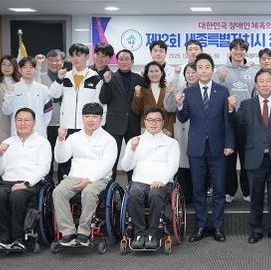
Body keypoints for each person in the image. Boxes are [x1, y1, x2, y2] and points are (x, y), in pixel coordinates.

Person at [229, 70, 271, 243]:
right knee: (255, 197)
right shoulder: (246, 104)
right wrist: (231, 109)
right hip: (253, 158)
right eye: (261, 81)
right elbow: (237, 122)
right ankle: (256, 230)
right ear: (256, 85)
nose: (265, 84)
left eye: (268, 81)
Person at [176, 53, 235, 242]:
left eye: (207, 67)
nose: (203, 71)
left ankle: (217, 226)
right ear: (195, 71)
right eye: (199, 67)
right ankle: (201, 226)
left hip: (218, 147)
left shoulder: (223, 91)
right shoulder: (189, 92)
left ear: (212, 69)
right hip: (197, 148)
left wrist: (229, 144)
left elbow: (227, 121)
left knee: (219, 188)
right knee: (198, 189)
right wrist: (179, 105)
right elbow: (183, 117)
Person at [52, 103, 117, 247]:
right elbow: (60, 159)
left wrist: (89, 180)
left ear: (101, 119)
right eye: (87, 116)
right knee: (58, 192)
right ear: (82, 118)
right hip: (74, 176)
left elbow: (107, 165)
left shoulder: (109, 140)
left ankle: (83, 233)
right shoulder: (74, 137)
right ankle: (68, 232)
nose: (90, 120)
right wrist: (61, 140)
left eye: (94, 116)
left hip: (98, 178)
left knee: (88, 192)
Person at [0, 107, 52, 251]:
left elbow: (44, 168)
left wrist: (27, 183)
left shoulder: (42, 143)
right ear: (15, 122)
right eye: (19, 120)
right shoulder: (7, 142)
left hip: (30, 183)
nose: (22, 123)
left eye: (26, 120)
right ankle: (2, 238)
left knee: (17, 196)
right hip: (6, 183)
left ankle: (19, 238)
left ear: (34, 123)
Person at [120, 107, 180, 249]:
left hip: (161, 182)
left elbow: (173, 166)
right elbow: (126, 167)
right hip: (139, 181)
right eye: (150, 120)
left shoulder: (171, 143)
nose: (153, 123)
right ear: (144, 122)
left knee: (155, 194)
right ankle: (139, 233)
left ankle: (153, 233)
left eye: (157, 120)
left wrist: (162, 180)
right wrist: (132, 149)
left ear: (163, 122)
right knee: (134, 193)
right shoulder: (135, 141)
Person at [49, 43, 103, 181]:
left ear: (86, 56)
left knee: (83, 160)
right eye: (72, 56)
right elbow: (53, 94)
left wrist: (98, 126)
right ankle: (63, 186)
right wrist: (59, 79)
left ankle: (83, 188)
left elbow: (99, 105)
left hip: (86, 127)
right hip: (66, 127)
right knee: (65, 160)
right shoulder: (66, 76)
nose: (75, 59)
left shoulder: (95, 78)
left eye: (78, 55)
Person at [215, 38, 257, 203]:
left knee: (247, 158)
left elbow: (256, 94)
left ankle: (248, 191)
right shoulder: (221, 70)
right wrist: (221, 79)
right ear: (230, 51)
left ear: (245, 52)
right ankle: (229, 191)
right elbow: (215, 91)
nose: (238, 52)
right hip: (228, 119)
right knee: (229, 158)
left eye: (242, 49)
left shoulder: (253, 70)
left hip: (248, 120)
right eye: (235, 49)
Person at [99, 49, 143, 182]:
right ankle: (109, 186)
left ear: (132, 62)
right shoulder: (110, 77)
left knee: (133, 156)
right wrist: (106, 83)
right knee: (112, 158)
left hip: (133, 124)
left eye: (127, 59)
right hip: (114, 124)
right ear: (117, 62)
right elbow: (103, 99)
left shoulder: (139, 79)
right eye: (121, 59)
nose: (124, 62)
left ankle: (133, 186)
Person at [164, 62, 199, 203]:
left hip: (200, 133)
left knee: (198, 166)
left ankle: (198, 195)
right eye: (188, 72)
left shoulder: (204, 90)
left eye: (193, 72)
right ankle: (186, 197)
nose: (191, 75)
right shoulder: (180, 89)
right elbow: (169, 107)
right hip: (183, 132)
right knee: (184, 166)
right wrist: (169, 92)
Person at [37, 49, 68, 177]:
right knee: (46, 156)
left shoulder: (69, 76)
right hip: (47, 123)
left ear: (63, 61)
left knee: (65, 156)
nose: (54, 63)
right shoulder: (40, 77)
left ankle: (63, 183)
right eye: (51, 60)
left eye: (57, 60)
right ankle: (47, 183)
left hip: (65, 123)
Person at [2, 57, 53, 137]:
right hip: (18, 133)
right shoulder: (13, 88)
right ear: (19, 70)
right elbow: (6, 111)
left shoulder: (44, 89)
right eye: (25, 67)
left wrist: (41, 125)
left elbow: (48, 112)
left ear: (35, 69)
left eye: (31, 67)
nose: (28, 70)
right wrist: (10, 94)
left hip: (38, 133)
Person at [132, 61, 176, 136]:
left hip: (165, 129)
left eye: (156, 71)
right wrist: (137, 95)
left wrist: (170, 128)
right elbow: (137, 111)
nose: (154, 74)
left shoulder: (169, 88)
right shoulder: (141, 89)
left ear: (162, 73)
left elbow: (173, 112)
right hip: (146, 128)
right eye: (151, 71)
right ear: (147, 74)